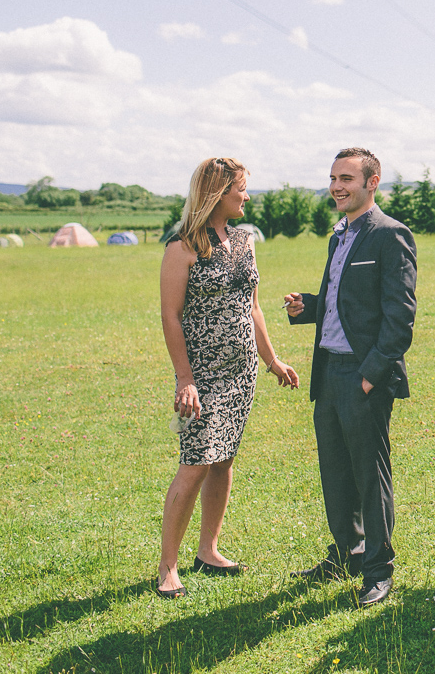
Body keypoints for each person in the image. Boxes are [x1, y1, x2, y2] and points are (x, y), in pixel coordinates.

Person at [157, 157, 299, 599]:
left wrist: (271, 360)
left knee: (223, 459)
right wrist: (186, 379)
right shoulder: (181, 247)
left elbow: (252, 307)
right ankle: (167, 568)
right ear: (218, 193)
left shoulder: (245, 240)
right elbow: (171, 316)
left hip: (242, 373)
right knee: (196, 463)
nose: (247, 196)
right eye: (241, 188)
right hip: (202, 377)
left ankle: (209, 550)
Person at [283, 146, 416, 607]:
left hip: (363, 376)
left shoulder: (390, 235)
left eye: (347, 178)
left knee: (369, 475)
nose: (337, 186)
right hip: (328, 373)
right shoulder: (338, 235)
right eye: (334, 178)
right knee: (336, 473)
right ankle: (347, 553)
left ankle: (378, 569)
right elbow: (348, 301)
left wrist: (370, 376)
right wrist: (310, 306)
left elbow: (399, 318)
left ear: (371, 183)